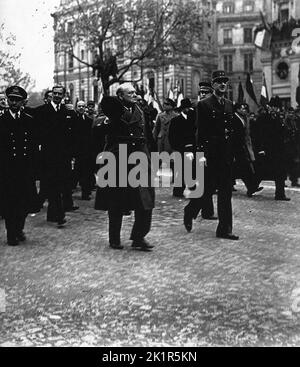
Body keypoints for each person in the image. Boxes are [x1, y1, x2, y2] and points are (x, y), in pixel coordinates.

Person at [95, 83, 155, 251]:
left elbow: (148, 134)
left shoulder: (141, 109)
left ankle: (139, 236)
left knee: (145, 199)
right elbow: (97, 126)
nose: (135, 95)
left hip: (140, 158)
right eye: (131, 93)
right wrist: (110, 118)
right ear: (121, 96)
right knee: (116, 200)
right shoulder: (109, 108)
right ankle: (114, 238)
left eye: (135, 92)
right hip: (118, 157)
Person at [183, 70, 242, 240]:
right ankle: (190, 211)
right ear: (213, 84)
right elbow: (201, 133)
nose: (223, 84)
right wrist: (202, 155)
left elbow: (232, 131)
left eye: (225, 81)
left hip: (225, 155)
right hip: (211, 154)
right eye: (219, 82)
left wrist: (234, 153)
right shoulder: (204, 105)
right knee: (207, 190)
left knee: (225, 193)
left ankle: (224, 229)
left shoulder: (230, 104)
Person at [35, 85, 79, 227]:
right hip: (48, 156)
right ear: (51, 94)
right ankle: (59, 215)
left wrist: (71, 153)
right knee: (52, 185)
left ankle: (52, 215)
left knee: (59, 185)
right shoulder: (42, 111)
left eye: (60, 94)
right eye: (55, 93)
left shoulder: (67, 112)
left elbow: (73, 134)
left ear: (63, 95)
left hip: (63, 156)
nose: (57, 96)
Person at [0, 86, 39, 246]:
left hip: (25, 168)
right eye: (11, 99)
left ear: (23, 102)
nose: (14, 102)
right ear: (7, 100)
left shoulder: (29, 120)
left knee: (24, 201)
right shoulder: (2, 121)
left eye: (17, 100)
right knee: (10, 202)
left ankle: (19, 229)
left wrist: (35, 168)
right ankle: (11, 233)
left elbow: (33, 146)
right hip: (7, 169)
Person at [233, 103, 263, 197]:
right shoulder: (234, 118)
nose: (245, 110)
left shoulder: (244, 118)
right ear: (237, 109)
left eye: (245, 108)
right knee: (242, 169)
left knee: (245, 168)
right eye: (242, 108)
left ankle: (251, 187)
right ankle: (251, 187)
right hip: (236, 148)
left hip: (243, 147)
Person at [168, 98, 196, 198]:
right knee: (182, 170)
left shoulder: (194, 119)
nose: (188, 110)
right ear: (182, 109)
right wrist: (177, 147)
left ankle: (193, 186)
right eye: (186, 108)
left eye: (189, 108)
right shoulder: (176, 121)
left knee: (193, 169)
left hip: (193, 148)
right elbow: (172, 136)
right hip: (181, 149)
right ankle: (178, 190)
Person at [75, 100, 94, 200]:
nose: (81, 108)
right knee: (76, 173)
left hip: (86, 150)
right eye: (79, 106)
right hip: (76, 150)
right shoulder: (73, 119)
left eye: (83, 106)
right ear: (76, 107)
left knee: (86, 172)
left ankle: (85, 193)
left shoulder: (89, 120)